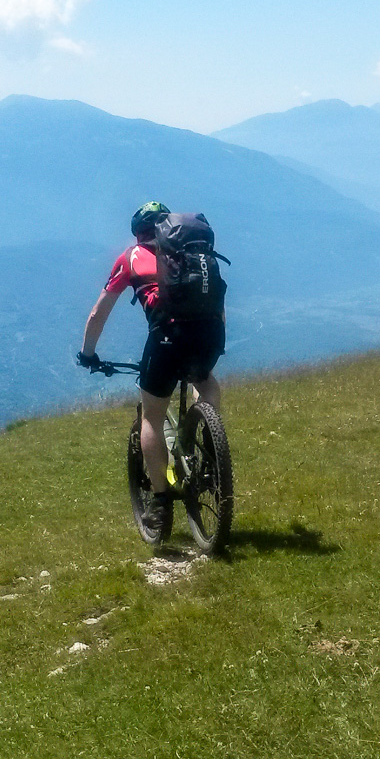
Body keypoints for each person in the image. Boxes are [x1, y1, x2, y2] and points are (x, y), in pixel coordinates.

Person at [78, 201, 225, 540]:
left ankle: (160, 502)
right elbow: (217, 298)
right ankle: (210, 452)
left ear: (138, 233)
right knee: (206, 383)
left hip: (167, 338)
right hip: (209, 334)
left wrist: (88, 354)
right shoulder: (194, 252)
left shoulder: (130, 257)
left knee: (151, 416)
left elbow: (99, 313)